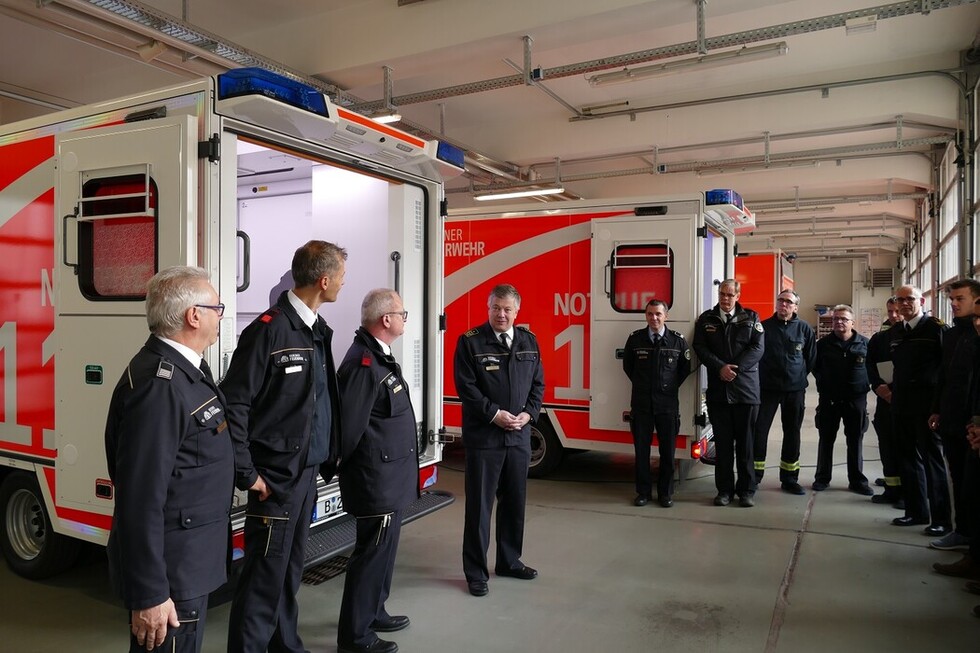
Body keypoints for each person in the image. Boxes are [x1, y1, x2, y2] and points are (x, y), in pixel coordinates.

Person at [223, 240, 346, 653]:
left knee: (289, 572)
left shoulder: (316, 329)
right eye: (341, 277)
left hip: (306, 474)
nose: (343, 284)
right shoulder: (268, 330)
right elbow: (235, 403)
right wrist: (249, 473)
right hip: (275, 480)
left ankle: (285, 646)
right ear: (324, 280)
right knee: (262, 577)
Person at [104, 266, 233, 653]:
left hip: (188, 562)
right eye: (217, 307)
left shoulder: (184, 371)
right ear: (194, 315)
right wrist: (149, 594)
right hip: (171, 576)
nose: (220, 316)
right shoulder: (159, 387)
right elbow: (139, 499)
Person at [336, 289, 419, 653]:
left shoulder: (379, 356)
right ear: (386, 320)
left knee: (384, 553)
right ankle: (355, 636)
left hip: (391, 478)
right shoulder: (362, 364)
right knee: (370, 557)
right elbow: (349, 430)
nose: (404, 318)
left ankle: (375, 610)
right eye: (402, 313)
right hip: (376, 480)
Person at [455, 283, 545, 597]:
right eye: (496, 308)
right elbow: (466, 389)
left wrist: (529, 415)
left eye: (507, 309)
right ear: (488, 308)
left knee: (514, 504)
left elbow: (538, 384)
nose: (501, 314)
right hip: (485, 439)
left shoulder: (529, 342)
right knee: (480, 508)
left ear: (517, 312)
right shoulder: (470, 343)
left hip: (518, 438)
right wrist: (495, 414)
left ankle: (509, 561)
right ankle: (476, 572)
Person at [693, 279, 764, 508]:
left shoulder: (751, 318)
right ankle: (724, 491)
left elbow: (757, 348)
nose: (725, 298)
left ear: (738, 295)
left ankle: (746, 491)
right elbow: (700, 347)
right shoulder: (706, 320)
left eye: (730, 295)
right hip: (719, 393)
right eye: (722, 294)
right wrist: (719, 367)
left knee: (746, 445)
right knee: (723, 447)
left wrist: (735, 369)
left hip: (746, 392)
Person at [889, 285, 951, 534]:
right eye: (900, 299)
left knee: (932, 460)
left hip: (927, 406)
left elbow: (946, 370)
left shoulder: (936, 329)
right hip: (902, 404)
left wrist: (939, 407)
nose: (904, 303)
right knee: (907, 459)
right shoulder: (895, 331)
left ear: (921, 301)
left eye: (910, 299)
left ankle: (941, 519)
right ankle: (915, 512)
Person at [622, 299, 692, 507]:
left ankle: (665, 494)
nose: (654, 318)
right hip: (642, 405)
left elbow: (684, 370)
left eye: (658, 314)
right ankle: (643, 493)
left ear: (666, 316)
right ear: (646, 316)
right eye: (650, 314)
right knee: (641, 453)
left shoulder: (677, 341)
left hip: (667, 406)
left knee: (668, 453)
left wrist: (665, 388)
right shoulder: (635, 340)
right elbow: (629, 368)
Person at [927, 279, 980, 551]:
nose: (954, 304)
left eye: (960, 298)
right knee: (958, 479)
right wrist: (937, 408)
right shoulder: (950, 334)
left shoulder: (977, 334)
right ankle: (963, 532)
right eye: (951, 299)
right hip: (951, 418)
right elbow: (944, 377)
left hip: (973, 425)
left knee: (972, 487)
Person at [752, 289, 816, 495]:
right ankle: (754, 477)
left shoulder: (805, 329)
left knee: (792, 433)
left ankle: (789, 478)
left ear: (795, 307)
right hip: (766, 389)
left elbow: (811, 358)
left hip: (794, 390)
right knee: (759, 432)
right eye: (780, 300)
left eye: (788, 302)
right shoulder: (764, 327)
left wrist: (797, 377)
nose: (783, 304)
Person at [811, 305, 873, 495]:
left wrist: (865, 384)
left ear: (852, 322)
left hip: (856, 400)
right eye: (836, 319)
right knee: (826, 439)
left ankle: (857, 481)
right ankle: (822, 478)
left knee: (855, 440)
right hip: (829, 400)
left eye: (844, 319)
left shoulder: (865, 344)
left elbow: (874, 368)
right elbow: (815, 367)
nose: (839, 322)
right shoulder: (822, 345)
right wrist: (825, 384)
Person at [866, 297, 904, 506]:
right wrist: (878, 386)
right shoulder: (880, 339)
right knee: (887, 445)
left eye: (897, 311)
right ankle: (892, 488)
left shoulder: (918, 337)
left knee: (906, 448)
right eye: (890, 311)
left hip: (908, 401)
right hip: (884, 399)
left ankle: (908, 491)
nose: (894, 316)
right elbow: (870, 364)